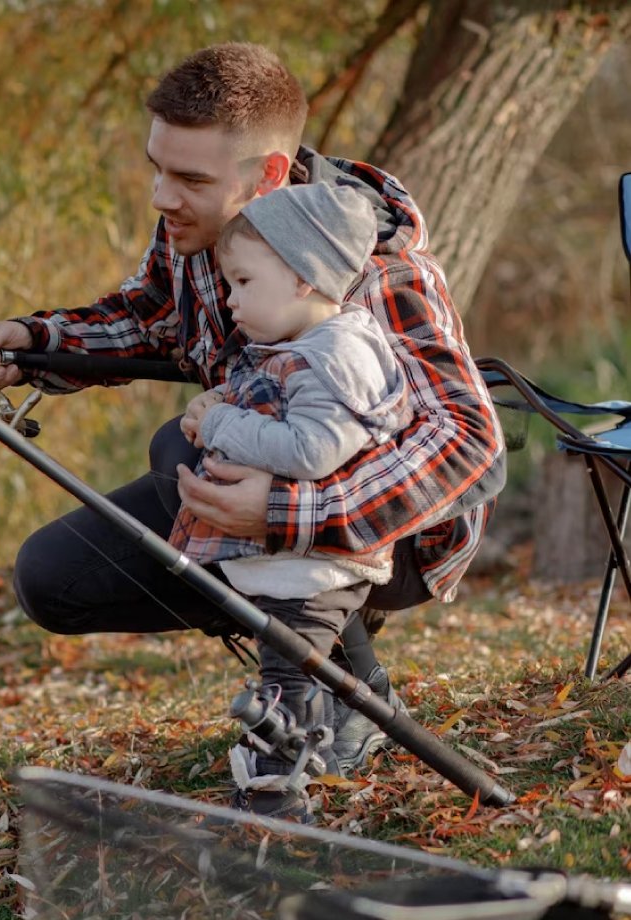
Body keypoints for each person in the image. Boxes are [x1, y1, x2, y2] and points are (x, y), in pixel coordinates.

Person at [0, 43, 504, 796]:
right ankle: (319, 656)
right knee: (51, 581)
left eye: (189, 178)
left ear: (267, 176)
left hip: (397, 536)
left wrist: (287, 514)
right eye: (157, 167)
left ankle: (341, 692)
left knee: (169, 449)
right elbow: (148, 318)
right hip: (261, 474)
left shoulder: (373, 269)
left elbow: (470, 443)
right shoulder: (199, 229)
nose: (161, 195)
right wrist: (35, 343)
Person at [171, 182, 411, 818]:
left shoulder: (337, 355)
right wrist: (216, 404)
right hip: (287, 565)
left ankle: (278, 793)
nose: (231, 298)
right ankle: (354, 720)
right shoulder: (298, 348)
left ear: (304, 277)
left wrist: (221, 427)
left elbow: (312, 449)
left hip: (310, 570)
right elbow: (272, 407)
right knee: (296, 673)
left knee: (286, 683)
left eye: (244, 282)